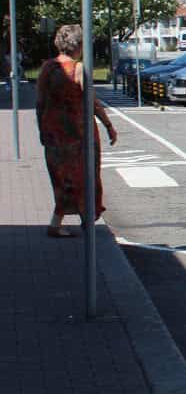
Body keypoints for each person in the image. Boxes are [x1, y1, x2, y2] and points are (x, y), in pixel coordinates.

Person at [35, 24, 117, 238]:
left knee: (61, 176)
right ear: (79, 45)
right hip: (78, 132)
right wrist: (108, 125)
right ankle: (86, 220)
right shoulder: (78, 69)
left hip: (53, 131)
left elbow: (39, 102)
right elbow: (92, 102)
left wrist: (41, 129)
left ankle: (58, 221)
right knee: (86, 175)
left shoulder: (47, 68)